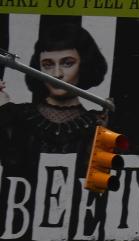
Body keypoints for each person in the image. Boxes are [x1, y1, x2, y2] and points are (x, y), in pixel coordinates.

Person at [0, 22, 110, 172]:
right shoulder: (15, 114)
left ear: (84, 65)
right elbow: (10, 164)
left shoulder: (97, 122)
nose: (57, 74)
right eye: (47, 65)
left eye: (67, 63)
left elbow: (96, 181)